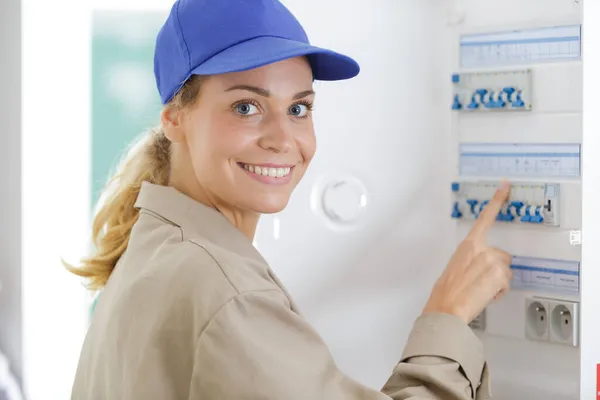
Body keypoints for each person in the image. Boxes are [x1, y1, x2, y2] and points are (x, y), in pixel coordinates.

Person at [67, 0, 513, 399]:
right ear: (175, 120)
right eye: (246, 107)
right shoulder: (226, 294)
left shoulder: (155, 249)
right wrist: (448, 317)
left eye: (299, 108)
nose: (284, 139)